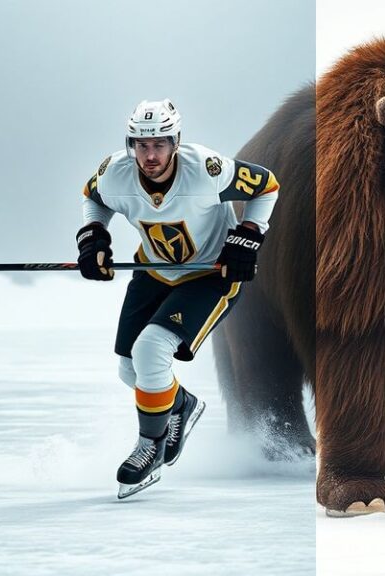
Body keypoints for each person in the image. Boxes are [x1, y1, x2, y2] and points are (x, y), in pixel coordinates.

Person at [76, 99, 279, 498]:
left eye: (160, 145)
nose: (150, 156)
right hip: (151, 271)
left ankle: (149, 447)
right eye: (141, 145)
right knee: (131, 371)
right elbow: (93, 198)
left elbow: (267, 185)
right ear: (130, 144)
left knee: (151, 351)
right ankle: (180, 405)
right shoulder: (115, 173)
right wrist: (93, 236)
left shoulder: (206, 170)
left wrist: (250, 233)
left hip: (209, 275)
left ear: (176, 142)